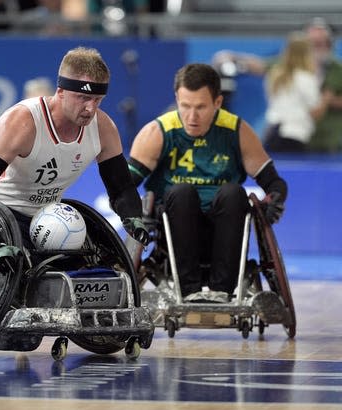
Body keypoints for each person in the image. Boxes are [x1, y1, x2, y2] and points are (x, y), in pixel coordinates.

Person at [0, 46, 150, 274]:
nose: (91, 108)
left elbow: (122, 188)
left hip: (50, 217)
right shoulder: (23, 121)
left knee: (97, 270)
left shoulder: (103, 127)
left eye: (98, 99)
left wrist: (132, 217)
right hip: (1, 213)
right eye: (83, 98)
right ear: (61, 92)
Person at [127, 63, 288, 303]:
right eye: (185, 106)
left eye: (201, 107)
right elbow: (124, 184)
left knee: (234, 193)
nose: (192, 117)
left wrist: (274, 200)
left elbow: (273, 182)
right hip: (173, 227)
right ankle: (188, 289)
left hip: (226, 226)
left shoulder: (237, 130)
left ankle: (221, 289)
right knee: (182, 193)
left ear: (218, 103)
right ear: (177, 99)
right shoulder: (158, 132)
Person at [212, 17, 342, 153]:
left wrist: (330, 100)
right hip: (295, 135)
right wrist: (232, 57)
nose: (315, 49)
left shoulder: (335, 70)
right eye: (312, 44)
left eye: (320, 43)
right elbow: (261, 65)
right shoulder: (291, 72)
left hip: (323, 141)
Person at [264, 32, 326, 153]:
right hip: (294, 135)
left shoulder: (275, 75)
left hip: (272, 132)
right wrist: (327, 98)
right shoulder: (306, 78)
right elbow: (315, 110)